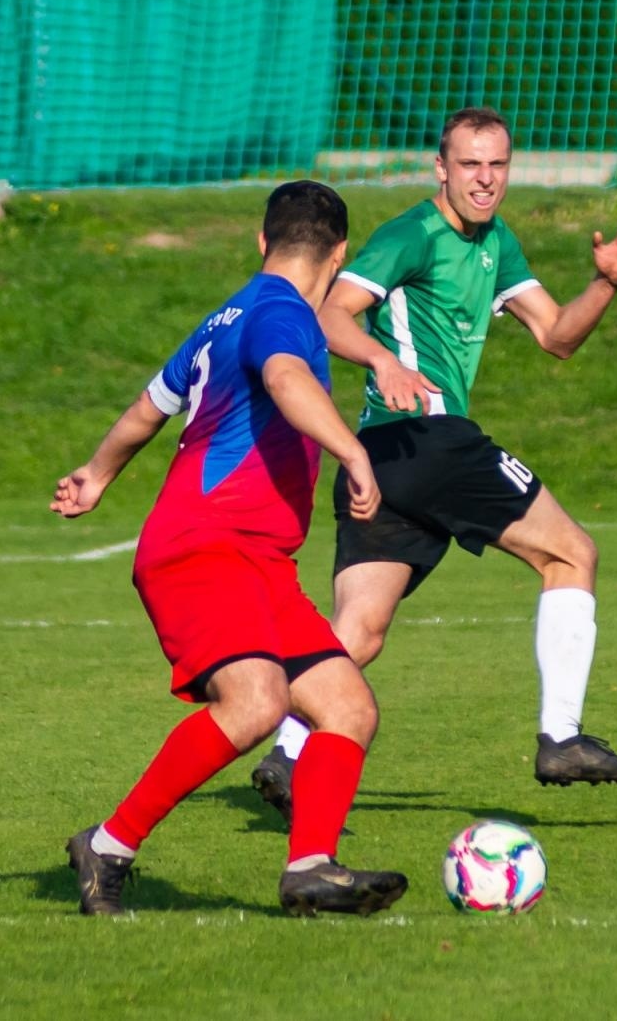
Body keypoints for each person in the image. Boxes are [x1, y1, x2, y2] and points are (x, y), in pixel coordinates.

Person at [251, 107, 617, 820]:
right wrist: (383, 358)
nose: (485, 179)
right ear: (441, 168)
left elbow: (557, 337)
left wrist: (607, 285)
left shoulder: (497, 243)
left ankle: (285, 748)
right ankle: (560, 738)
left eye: (497, 165)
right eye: (470, 164)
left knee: (359, 629)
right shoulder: (412, 234)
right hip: (428, 437)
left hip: (381, 461)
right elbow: (328, 312)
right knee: (571, 554)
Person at [51, 180, 407, 918]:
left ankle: (310, 866)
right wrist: (353, 453)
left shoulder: (226, 315)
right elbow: (284, 378)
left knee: (347, 707)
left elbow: (147, 409)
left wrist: (96, 474)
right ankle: (108, 846)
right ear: (339, 255)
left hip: (255, 560)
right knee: (255, 703)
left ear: (261, 241)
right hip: (204, 546)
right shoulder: (283, 315)